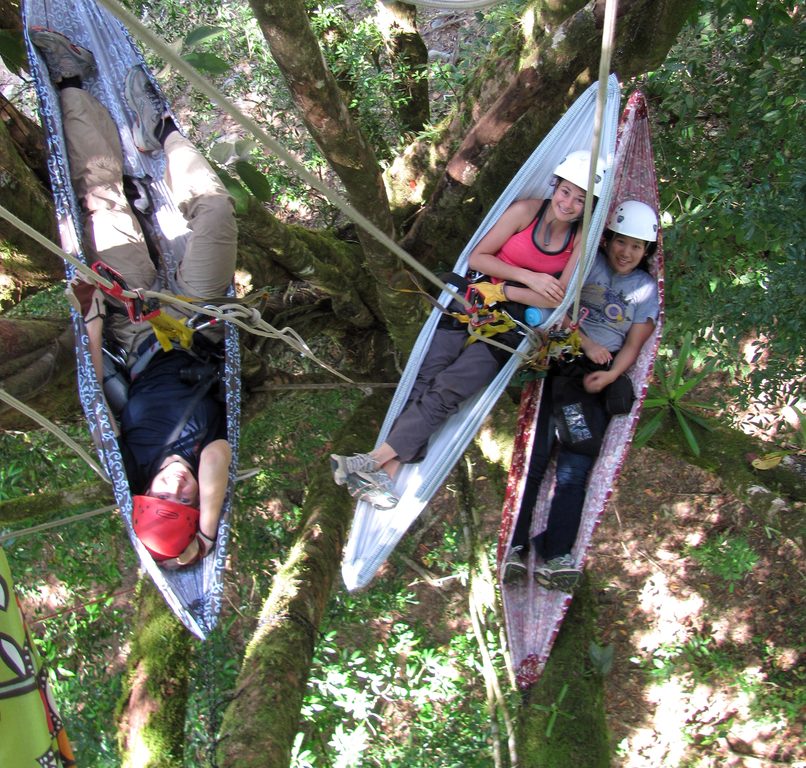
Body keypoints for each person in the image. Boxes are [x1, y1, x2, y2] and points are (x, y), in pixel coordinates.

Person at [30, 29, 237, 568]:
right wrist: (207, 533)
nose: (176, 484)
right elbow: (219, 457)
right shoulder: (207, 459)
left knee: (104, 202)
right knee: (216, 213)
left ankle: (71, 81)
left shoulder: (133, 459)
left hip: (137, 329)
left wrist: (92, 320)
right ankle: (163, 131)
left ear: (146, 493)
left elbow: (100, 393)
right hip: (197, 324)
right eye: (184, 500)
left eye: (162, 495)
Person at [330, 150, 607, 509]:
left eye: (580, 200)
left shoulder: (581, 241)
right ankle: (386, 470)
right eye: (566, 191)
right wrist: (527, 278)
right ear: (556, 185)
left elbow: (555, 299)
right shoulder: (526, 211)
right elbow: (477, 258)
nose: (568, 203)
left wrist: (509, 290)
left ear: (590, 207)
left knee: (452, 386)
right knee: (426, 376)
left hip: (513, 323)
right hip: (472, 298)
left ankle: (372, 462)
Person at [502, 200, 660, 591]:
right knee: (534, 461)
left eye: (636, 247)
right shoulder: (587, 262)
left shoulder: (644, 289)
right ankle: (516, 547)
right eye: (621, 242)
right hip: (559, 362)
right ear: (608, 241)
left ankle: (556, 555)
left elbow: (634, 345)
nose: (626, 252)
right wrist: (585, 342)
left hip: (596, 380)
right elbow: (557, 304)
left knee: (575, 468)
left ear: (647, 252)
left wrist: (610, 378)